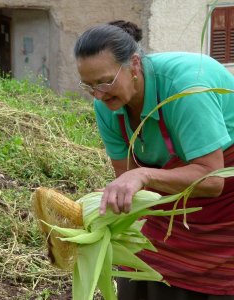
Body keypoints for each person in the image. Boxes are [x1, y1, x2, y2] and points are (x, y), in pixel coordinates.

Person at [74, 20, 234, 299]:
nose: (98, 94)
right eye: (89, 86)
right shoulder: (106, 106)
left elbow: (212, 181)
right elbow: (130, 180)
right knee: (143, 271)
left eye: (105, 81)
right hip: (171, 200)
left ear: (134, 65)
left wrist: (144, 175)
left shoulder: (187, 90)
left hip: (223, 202)